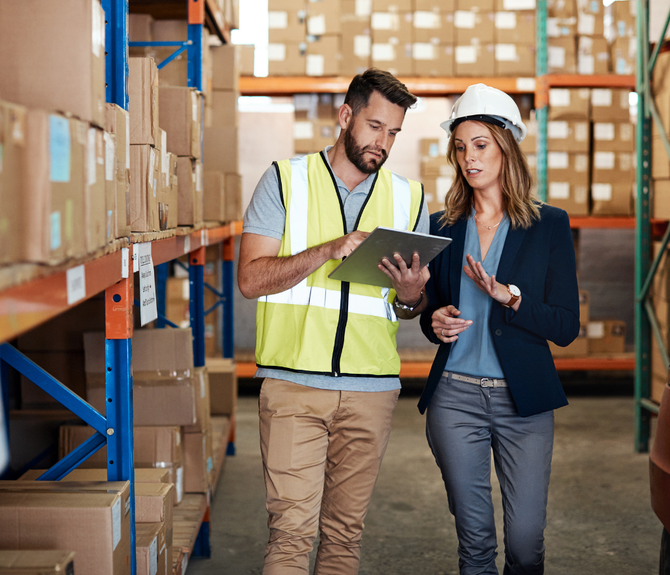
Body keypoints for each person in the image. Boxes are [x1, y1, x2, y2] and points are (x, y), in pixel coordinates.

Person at [237, 68, 431, 575]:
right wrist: (328, 249)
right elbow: (251, 280)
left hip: (372, 392)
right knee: (290, 537)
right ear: (345, 116)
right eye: (374, 126)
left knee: (344, 539)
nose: (382, 142)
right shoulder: (284, 180)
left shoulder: (410, 199)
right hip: (293, 388)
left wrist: (413, 296)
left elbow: (407, 309)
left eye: (393, 133)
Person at [417, 84, 580, 575]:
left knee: (526, 546)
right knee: (475, 544)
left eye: (481, 145)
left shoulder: (548, 225)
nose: (469, 158)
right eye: (461, 147)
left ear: (507, 146)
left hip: (522, 403)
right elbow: (431, 312)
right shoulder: (441, 227)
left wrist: (511, 297)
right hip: (455, 398)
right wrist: (433, 319)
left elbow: (566, 326)